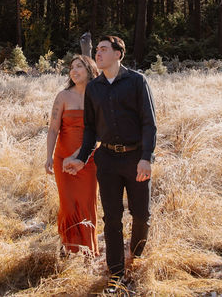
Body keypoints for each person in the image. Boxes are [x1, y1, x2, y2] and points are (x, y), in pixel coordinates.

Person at [63, 35, 156, 288]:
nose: (98, 54)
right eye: (98, 50)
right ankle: (115, 274)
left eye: (104, 49)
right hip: (108, 161)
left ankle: (135, 258)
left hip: (136, 158)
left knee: (141, 215)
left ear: (118, 54)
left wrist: (146, 158)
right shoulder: (94, 88)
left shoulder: (137, 81)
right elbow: (90, 129)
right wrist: (81, 158)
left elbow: (149, 123)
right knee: (112, 219)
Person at [46, 54, 100, 255]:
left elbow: (101, 131)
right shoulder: (63, 96)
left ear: (90, 70)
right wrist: (49, 157)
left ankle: (88, 251)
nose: (74, 70)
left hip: (89, 158)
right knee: (68, 204)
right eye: (72, 67)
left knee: (87, 203)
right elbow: (53, 129)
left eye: (80, 66)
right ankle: (69, 250)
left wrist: (82, 154)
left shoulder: (97, 96)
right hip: (63, 158)